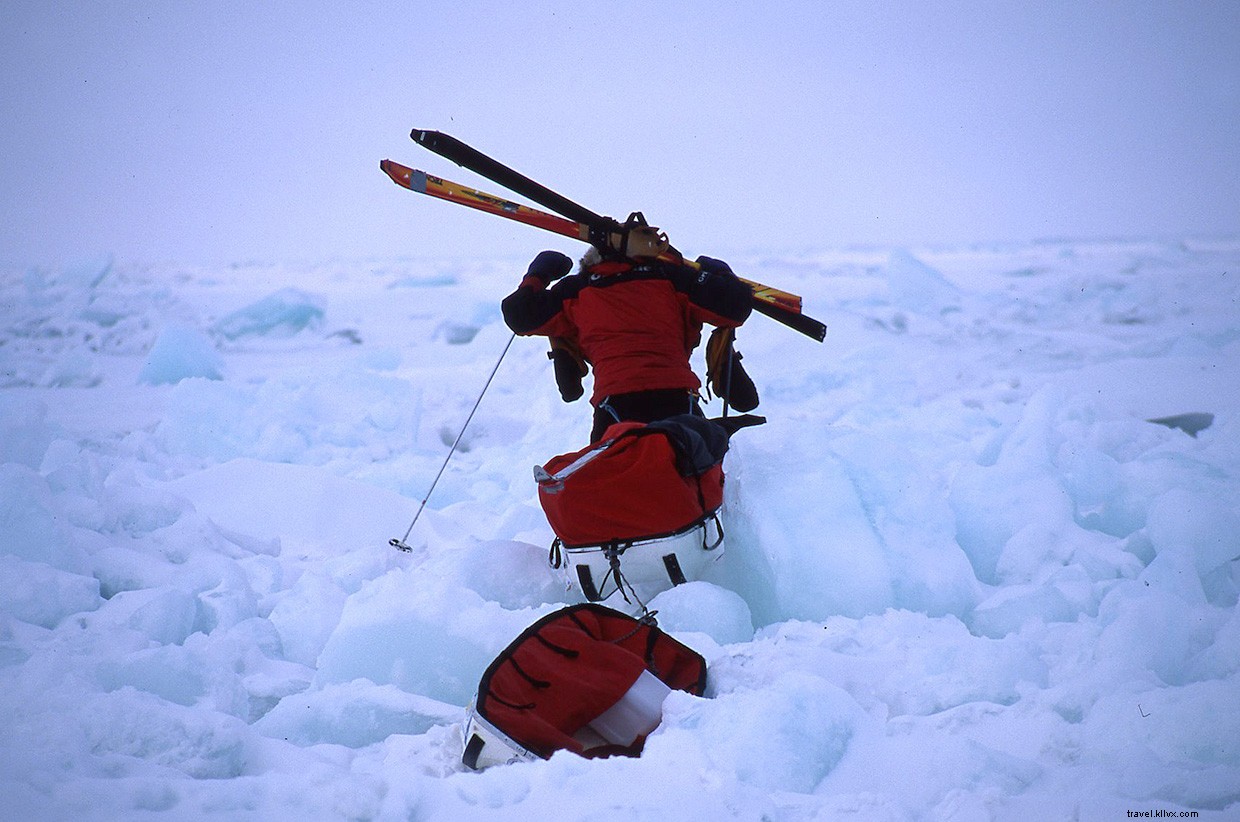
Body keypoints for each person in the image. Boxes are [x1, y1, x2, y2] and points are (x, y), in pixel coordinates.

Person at [501, 246, 756, 441]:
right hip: (677, 398)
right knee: (691, 480)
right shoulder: (673, 278)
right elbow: (736, 306)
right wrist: (717, 273)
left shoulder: (575, 290)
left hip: (615, 405)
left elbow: (519, 314)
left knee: (619, 490)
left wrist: (537, 275)